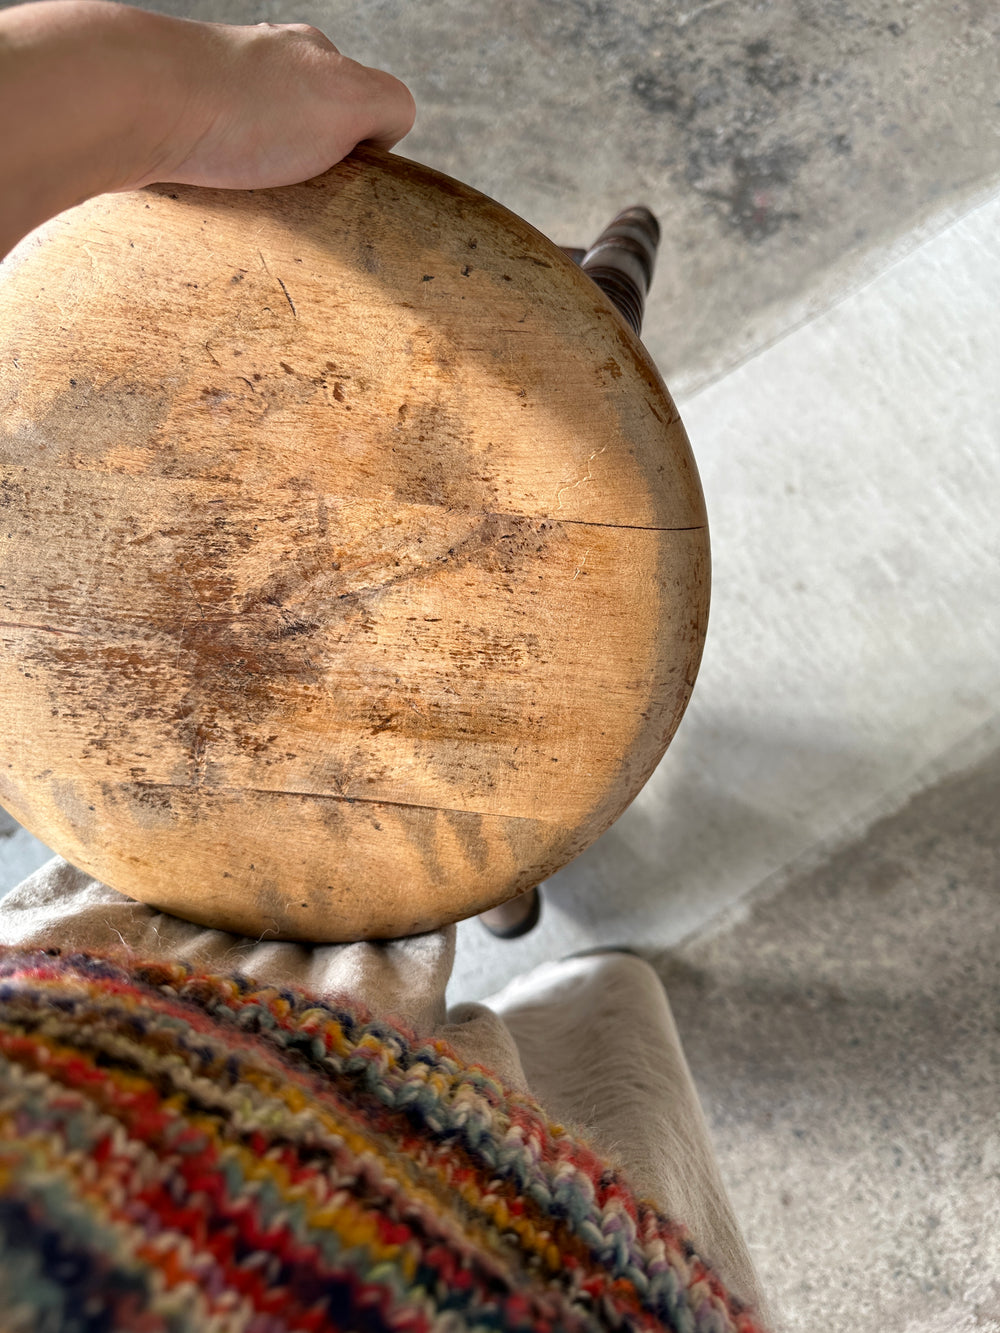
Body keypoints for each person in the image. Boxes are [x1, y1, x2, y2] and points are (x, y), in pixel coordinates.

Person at [0, 6, 769, 1328]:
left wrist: (177, 93)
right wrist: (173, 89)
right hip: (365, 1178)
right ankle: (482, 853)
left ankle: (479, 857)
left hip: (138, 1064)